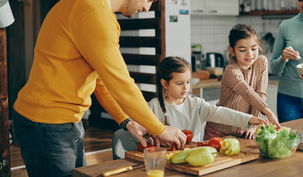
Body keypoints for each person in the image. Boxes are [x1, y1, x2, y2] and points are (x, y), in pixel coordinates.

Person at [12, 0, 187, 177]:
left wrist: (127, 121)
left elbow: (101, 79)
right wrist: (160, 129)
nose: (147, 8)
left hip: (62, 124)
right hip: (47, 123)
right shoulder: (94, 13)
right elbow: (121, 84)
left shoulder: (94, 5)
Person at [112, 56, 270, 159]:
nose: (185, 88)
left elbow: (222, 113)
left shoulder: (197, 105)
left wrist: (250, 119)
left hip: (194, 160)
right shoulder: (152, 107)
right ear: (164, 83)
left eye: (188, 82)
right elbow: (134, 129)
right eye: (179, 83)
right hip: (163, 162)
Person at [204, 24, 281, 140]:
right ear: (232, 51)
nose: (250, 54)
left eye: (254, 48)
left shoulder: (261, 62)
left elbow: (260, 95)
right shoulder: (231, 71)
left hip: (243, 132)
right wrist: (269, 113)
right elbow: (248, 93)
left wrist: (253, 126)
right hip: (218, 132)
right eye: (242, 50)